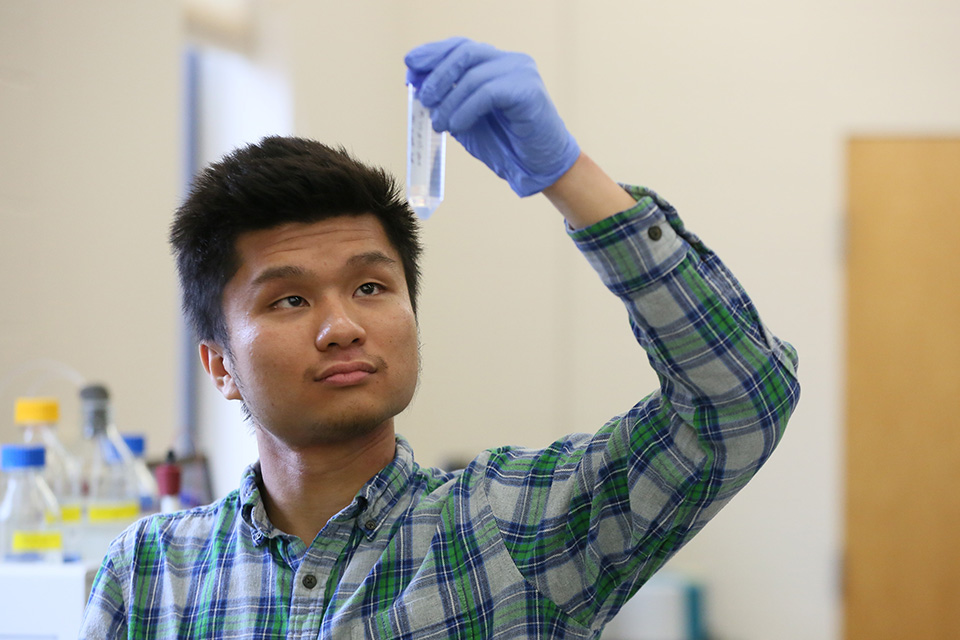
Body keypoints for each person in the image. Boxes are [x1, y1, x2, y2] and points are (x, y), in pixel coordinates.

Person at [80, 37, 800, 639]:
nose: (342, 326)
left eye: (371, 287)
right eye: (290, 299)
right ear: (220, 366)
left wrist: (572, 180)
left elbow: (740, 403)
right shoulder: (152, 576)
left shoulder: (518, 529)